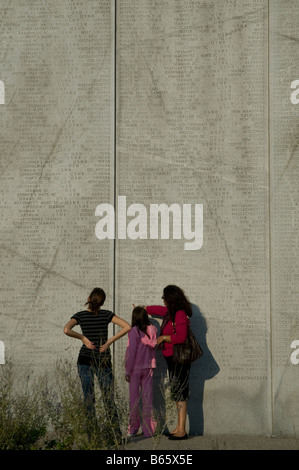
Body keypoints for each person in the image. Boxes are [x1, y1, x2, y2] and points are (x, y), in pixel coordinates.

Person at [63, 287, 131, 441]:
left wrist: (82, 338)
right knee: (108, 398)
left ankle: (93, 437)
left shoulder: (80, 316)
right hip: (103, 360)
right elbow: (127, 326)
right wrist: (109, 342)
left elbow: (66, 330)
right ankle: (115, 437)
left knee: (89, 398)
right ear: (102, 302)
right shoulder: (106, 314)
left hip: (84, 360)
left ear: (88, 298)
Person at [146, 285, 192, 440]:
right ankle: (178, 428)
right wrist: (144, 309)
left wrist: (163, 338)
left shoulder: (179, 314)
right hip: (172, 358)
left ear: (170, 298)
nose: (162, 299)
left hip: (179, 359)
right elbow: (159, 310)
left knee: (181, 391)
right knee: (177, 391)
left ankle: (182, 431)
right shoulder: (170, 312)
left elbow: (181, 337)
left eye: (164, 296)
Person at [125, 306, 157, 438]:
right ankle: (149, 429)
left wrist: (128, 369)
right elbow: (154, 345)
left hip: (135, 369)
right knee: (147, 399)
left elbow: (131, 351)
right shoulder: (153, 329)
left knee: (134, 400)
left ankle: (133, 428)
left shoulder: (134, 331)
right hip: (148, 368)